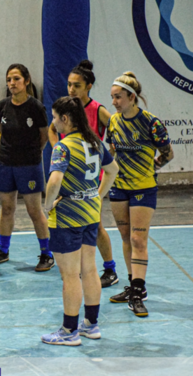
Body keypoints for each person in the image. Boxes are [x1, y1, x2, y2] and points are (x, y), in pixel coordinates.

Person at [42, 96, 119, 345]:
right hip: (90, 213)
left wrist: (46, 207)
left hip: (67, 217)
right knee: (89, 269)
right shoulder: (95, 141)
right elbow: (113, 170)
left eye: (55, 118)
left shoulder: (63, 147)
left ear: (65, 119)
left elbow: (54, 182)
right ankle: (91, 325)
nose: (53, 122)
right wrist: (97, 195)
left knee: (70, 276)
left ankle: (69, 331)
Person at [107, 72, 173, 317]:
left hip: (143, 188)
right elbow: (112, 151)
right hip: (119, 187)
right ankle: (132, 283)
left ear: (132, 97)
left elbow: (168, 154)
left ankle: (137, 292)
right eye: (112, 97)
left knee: (138, 239)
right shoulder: (113, 122)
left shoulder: (151, 123)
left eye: (118, 97)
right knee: (125, 237)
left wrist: (149, 169)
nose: (114, 102)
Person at [48, 60, 119, 288]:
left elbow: (116, 132)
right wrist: (57, 150)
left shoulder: (98, 111)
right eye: (69, 84)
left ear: (88, 86)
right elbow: (52, 129)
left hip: (89, 182)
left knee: (95, 226)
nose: (71, 89)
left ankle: (109, 269)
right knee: (82, 227)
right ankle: (78, 271)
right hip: (71, 180)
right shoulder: (66, 109)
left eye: (76, 85)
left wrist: (109, 152)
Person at [0, 64, 54, 272]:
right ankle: (3, 250)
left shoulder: (36, 107)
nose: (12, 83)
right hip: (6, 163)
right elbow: (3, 131)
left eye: (16, 79)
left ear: (26, 81)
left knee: (34, 210)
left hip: (29, 165)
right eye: (9, 79)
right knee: (7, 208)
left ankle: (46, 253)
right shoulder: (2, 106)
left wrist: (31, 154)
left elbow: (43, 136)